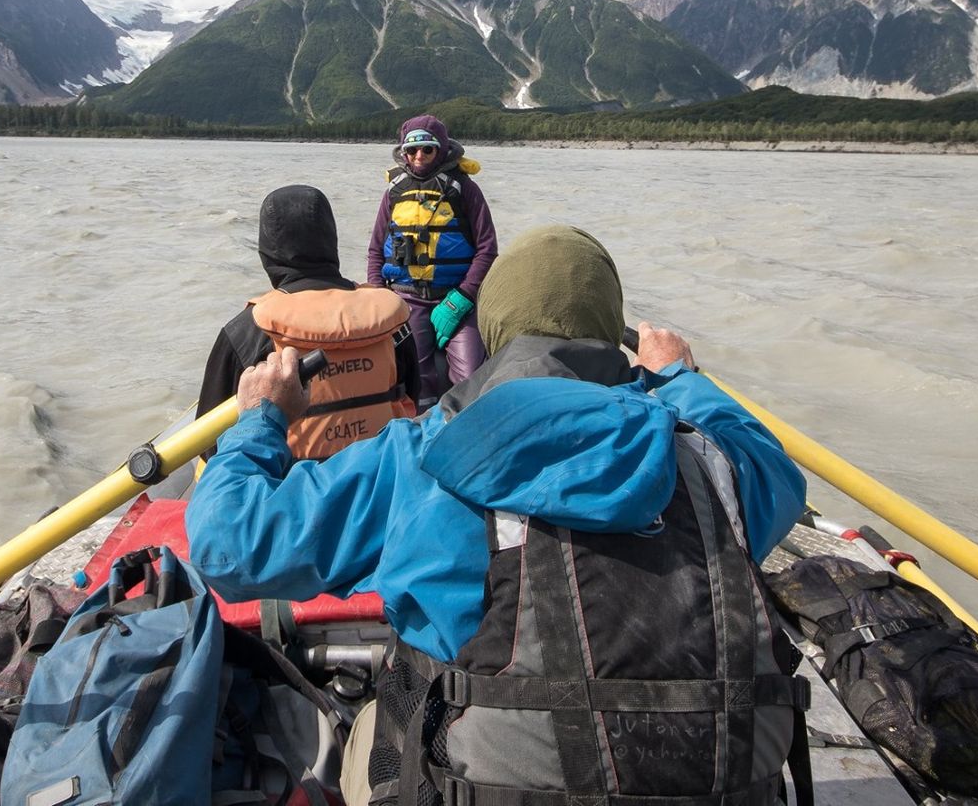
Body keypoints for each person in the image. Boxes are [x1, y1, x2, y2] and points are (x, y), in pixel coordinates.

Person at [189, 226, 810, 806]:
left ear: (491, 332)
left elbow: (229, 547)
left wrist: (262, 421)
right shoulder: (714, 461)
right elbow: (779, 472)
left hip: (485, 788)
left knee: (367, 727)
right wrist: (679, 377)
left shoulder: (418, 456)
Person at [198, 184, 420, 460]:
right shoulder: (391, 323)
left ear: (267, 251)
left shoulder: (245, 332)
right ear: (331, 240)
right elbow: (413, 395)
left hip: (291, 491)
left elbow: (209, 446)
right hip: (382, 474)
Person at [365, 114, 497, 406]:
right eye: (411, 150)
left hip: (457, 300)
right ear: (404, 152)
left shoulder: (465, 189)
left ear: (442, 149)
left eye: (428, 148)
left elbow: (487, 249)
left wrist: (461, 299)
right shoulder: (394, 192)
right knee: (416, 377)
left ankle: (466, 428)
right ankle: (422, 433)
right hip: (408, 300)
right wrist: (380, 297)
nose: (419, 156)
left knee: (471, 375)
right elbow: (375, 251)